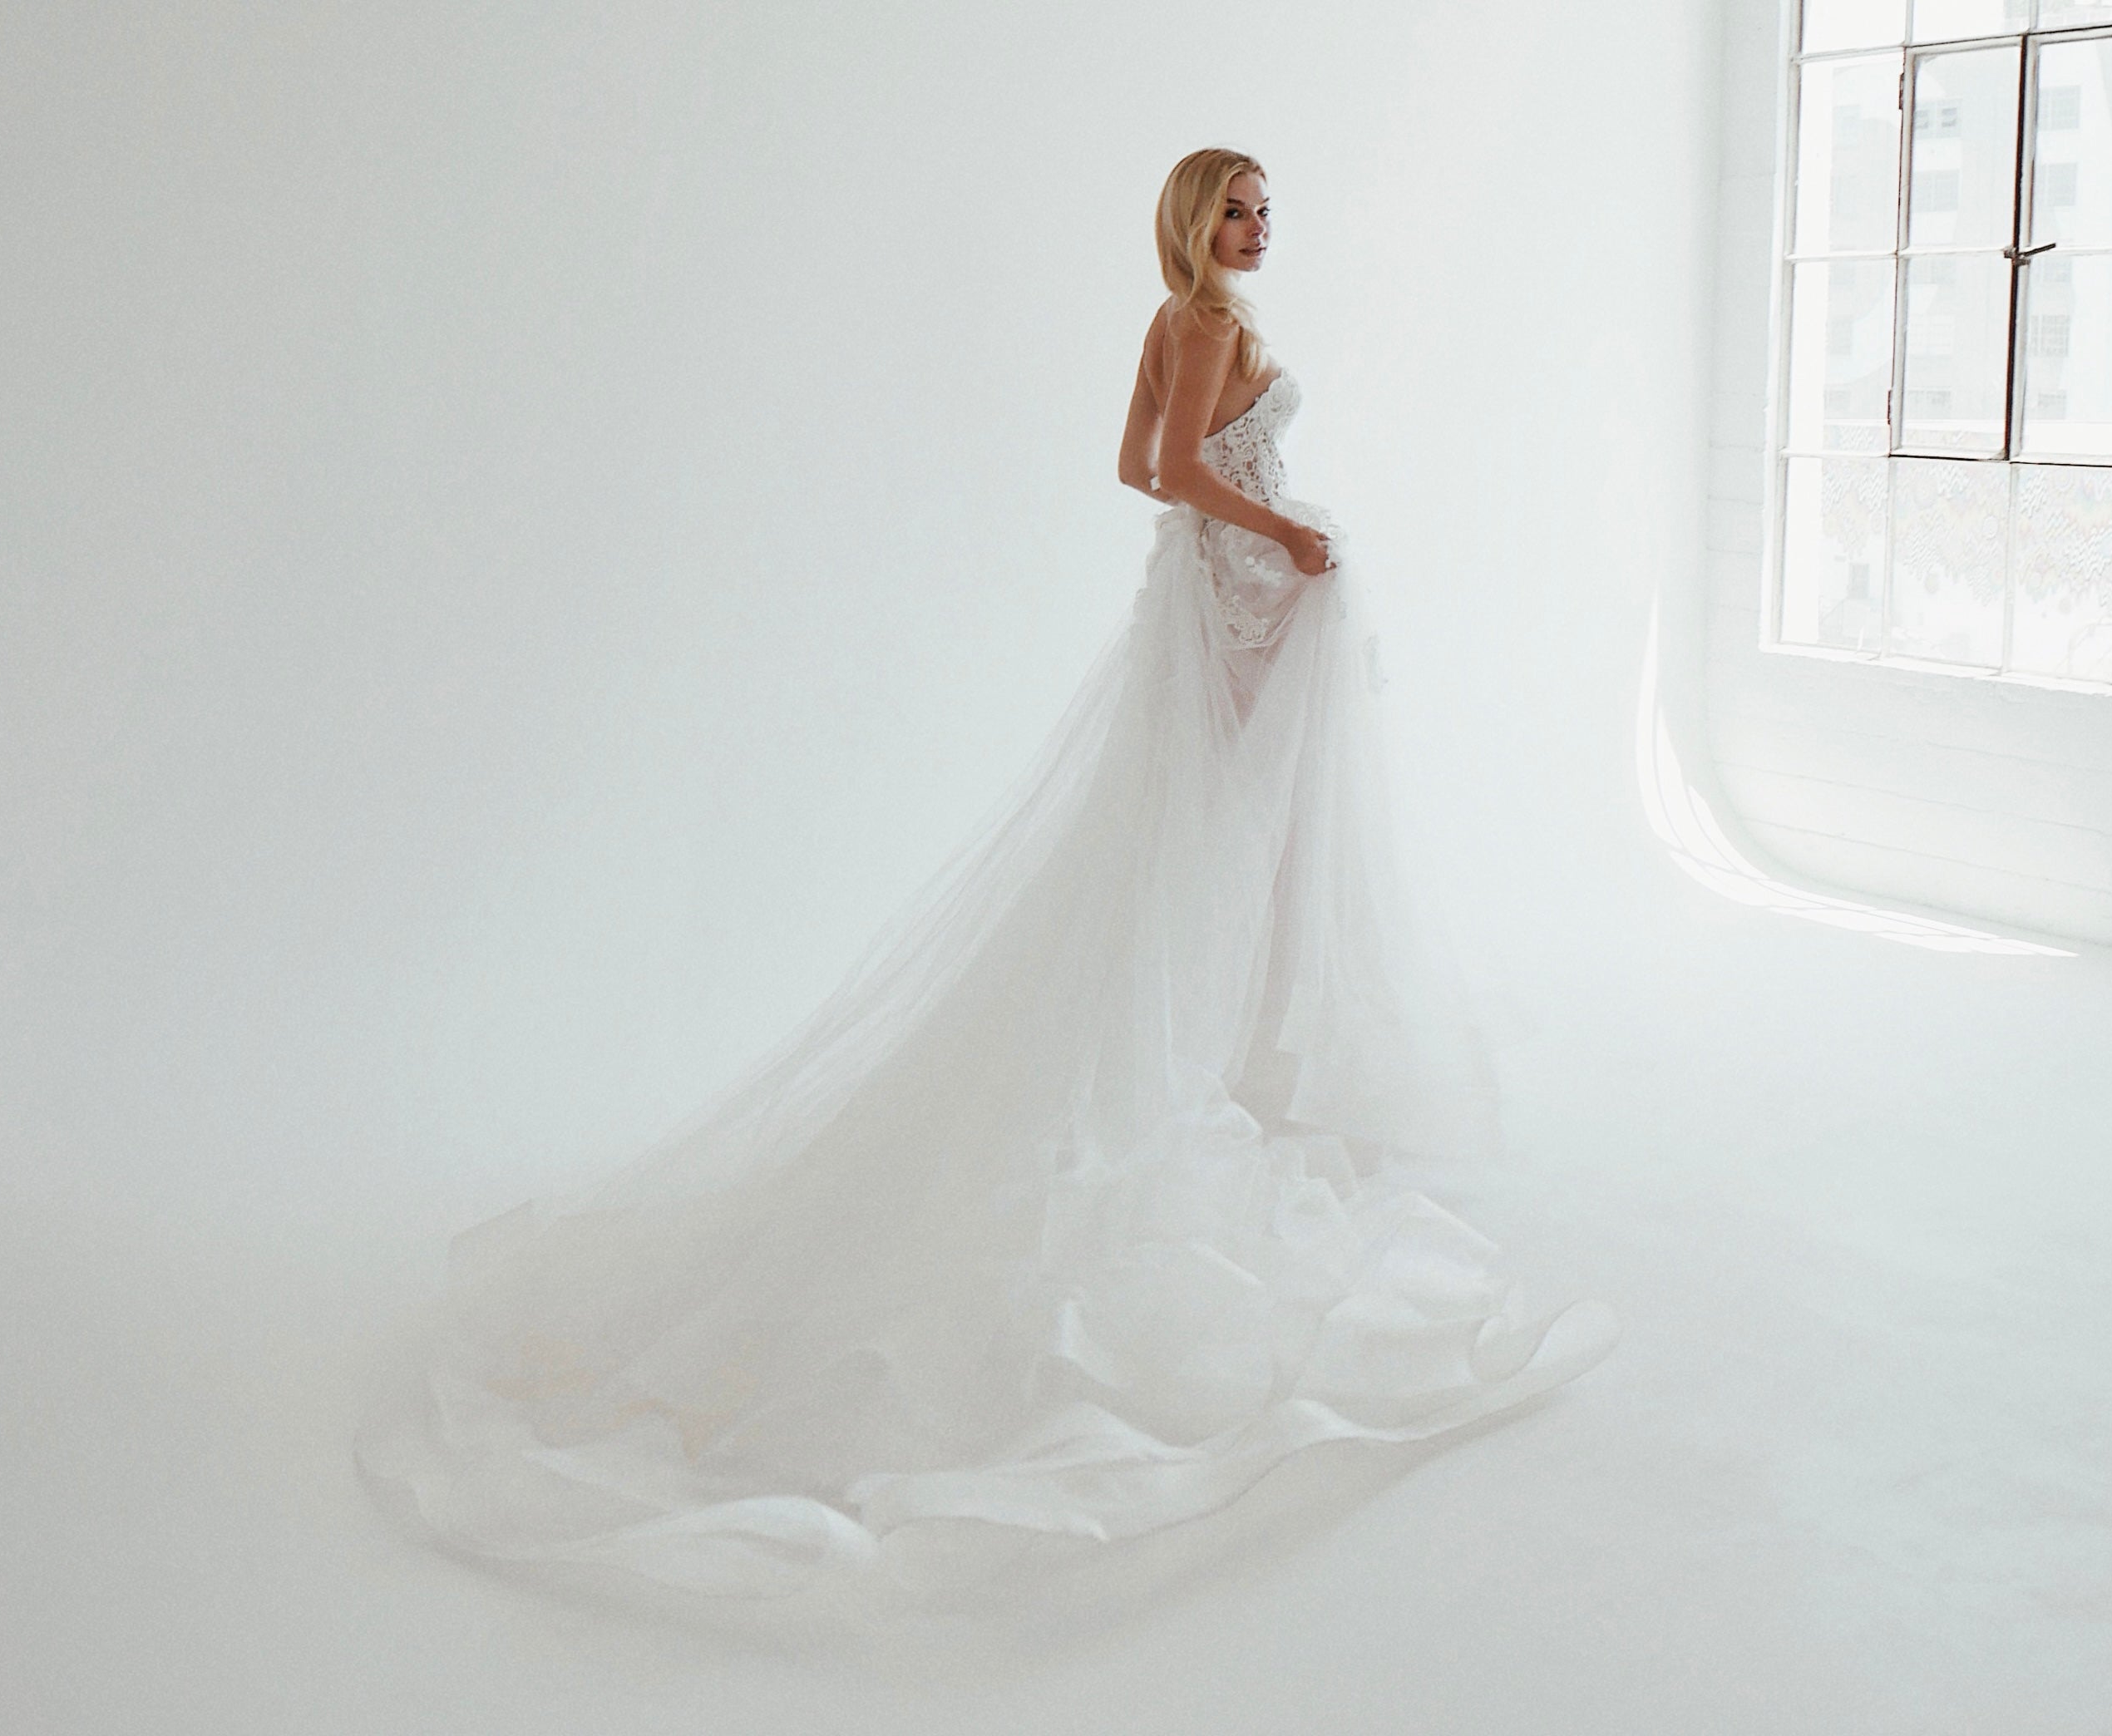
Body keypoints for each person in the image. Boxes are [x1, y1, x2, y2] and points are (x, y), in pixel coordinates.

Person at [358, 146, 1611, 1603]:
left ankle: (1212, 1061)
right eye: (1235, 208)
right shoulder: (1204, 327)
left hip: (1213, 596)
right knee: (1235, 847)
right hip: (1252, 592)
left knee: (1208, 846)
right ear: (1190, 221)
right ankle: (1211, 1069)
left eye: (1268, 210)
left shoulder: (1176, 325)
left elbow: (1135, 469)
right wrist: (1287, 530)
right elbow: (1188, 470)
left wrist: (1249, 526)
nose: (1259, 229)